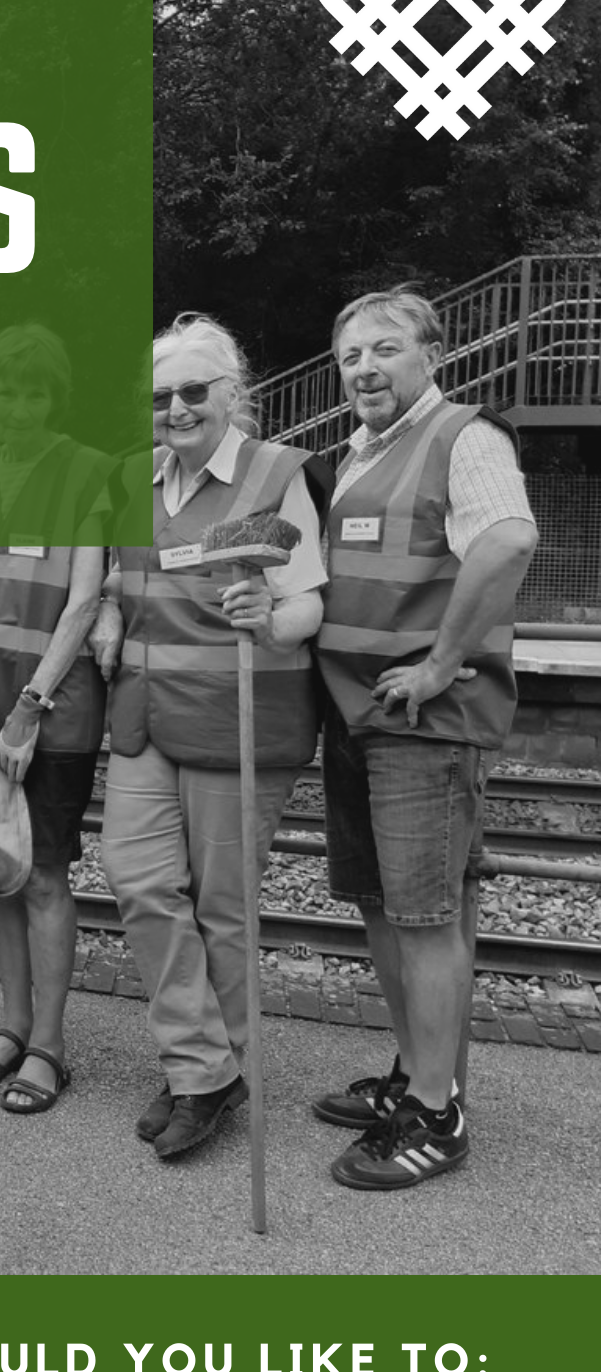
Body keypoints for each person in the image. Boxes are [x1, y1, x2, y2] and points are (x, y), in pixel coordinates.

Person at [313, 287, 537, 1189]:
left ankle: (437, 1117)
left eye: (383, 349)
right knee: (381, 906)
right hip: (359, 716)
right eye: (349, 358)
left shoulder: (462, 437)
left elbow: (509, 540)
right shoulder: (362, 450)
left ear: (430, 354)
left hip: (420, 722)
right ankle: (414, 1075)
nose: (363, 368)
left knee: (425, 918)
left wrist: (442, 664)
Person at [102, 314, 327, 1158]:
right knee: (138, 882)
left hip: (240, 719)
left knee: (222, 909)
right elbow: (121, 586)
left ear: (235, 394)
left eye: (195, 391)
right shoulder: (135, 480)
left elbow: (309, 597)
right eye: (162, 397)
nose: (178, 408)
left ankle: (204, 1070)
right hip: (147, 720)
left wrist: (272, 617)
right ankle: (206, 1066)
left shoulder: (275, 474)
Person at [0, 323, 116, 1113]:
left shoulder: (87, 472)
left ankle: (48, 1044)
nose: (17, 405)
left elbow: (82, 602)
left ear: (55, 397)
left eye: (33, 391)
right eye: (5, 391)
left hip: (51, 710)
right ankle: (8, 1026)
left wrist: (28, 711)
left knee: (42, 875)